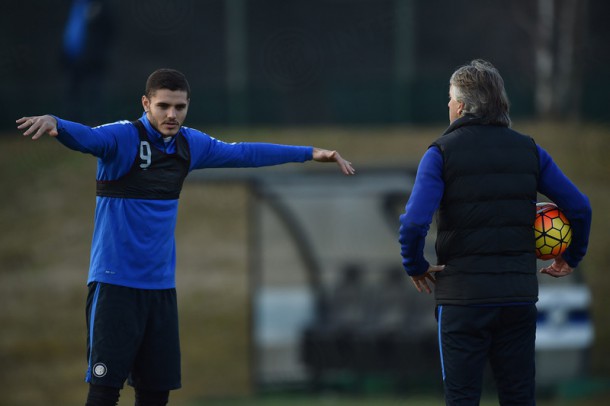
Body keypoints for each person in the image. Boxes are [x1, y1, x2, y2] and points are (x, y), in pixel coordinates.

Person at [17, 68, 355, 406]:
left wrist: (309, 152)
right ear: (146, 103)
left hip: (161, 290)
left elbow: (245, 153)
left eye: (180, 107)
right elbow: (89, 138)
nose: (172, 115)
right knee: (105, 392)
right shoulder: (123, 138)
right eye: (163, 106)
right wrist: (56, 123)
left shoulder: (190, 144)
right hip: (115, 286)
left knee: (155, 394)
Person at [398, 59, 591, 405]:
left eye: (449, 99)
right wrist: (571, 256)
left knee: (462, 398)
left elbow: (413, 223)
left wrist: (415, 265)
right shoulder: (530, 150)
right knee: (519, 397)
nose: (448, 105)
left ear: (460, 106)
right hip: (517, 298)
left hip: (462, 300)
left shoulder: (440, 152)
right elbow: (580, 208)